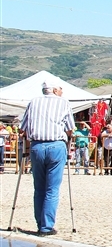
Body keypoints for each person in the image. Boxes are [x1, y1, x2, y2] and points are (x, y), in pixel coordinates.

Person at [19, 81, 75, 236]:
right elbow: (70, 129)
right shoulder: (63, 103)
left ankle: (40, 224)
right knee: (52, 189)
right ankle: (46, 226)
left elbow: (22, 128)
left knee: (39, 188)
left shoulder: (33, 102)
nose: (62, 92)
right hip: (56, 145)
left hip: (37, 146)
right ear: (55, 90)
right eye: (61, 89)